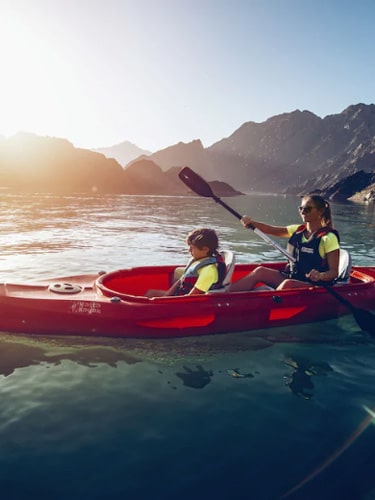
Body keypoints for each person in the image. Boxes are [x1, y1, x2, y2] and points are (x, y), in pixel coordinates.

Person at [228, 195, 340, 292]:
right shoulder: (297, 230)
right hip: (294, 276)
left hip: (314, 284)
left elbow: (334, 272)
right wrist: (251, 223)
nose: (302, 212)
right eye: (301, 208)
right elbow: (271, 230)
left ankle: (264, 302)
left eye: (308, 209)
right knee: (260, 271)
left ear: (320, 211)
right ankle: (223, 295)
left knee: (288, 284)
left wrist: (320, 275)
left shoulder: (328, 238)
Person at [146, 228, 226, 297]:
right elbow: (181, 280)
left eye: (193, 247)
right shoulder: (198, 261)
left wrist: (168, 300)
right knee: (150, 293)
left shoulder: (208, 270)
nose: (189, 250)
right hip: (180, 294)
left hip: (187, 301)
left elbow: (193, 296)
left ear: (205, 249)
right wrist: (167, 295)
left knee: (150, 297)